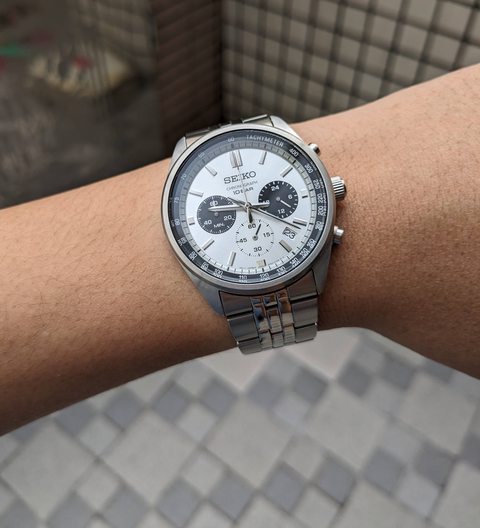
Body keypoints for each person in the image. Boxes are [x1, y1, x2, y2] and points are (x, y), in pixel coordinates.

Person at [0, 64, 478, 436]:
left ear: (331, 189)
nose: (249, 207)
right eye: (229, 206)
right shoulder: (193, 217)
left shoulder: (310, 196)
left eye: (259, 200)